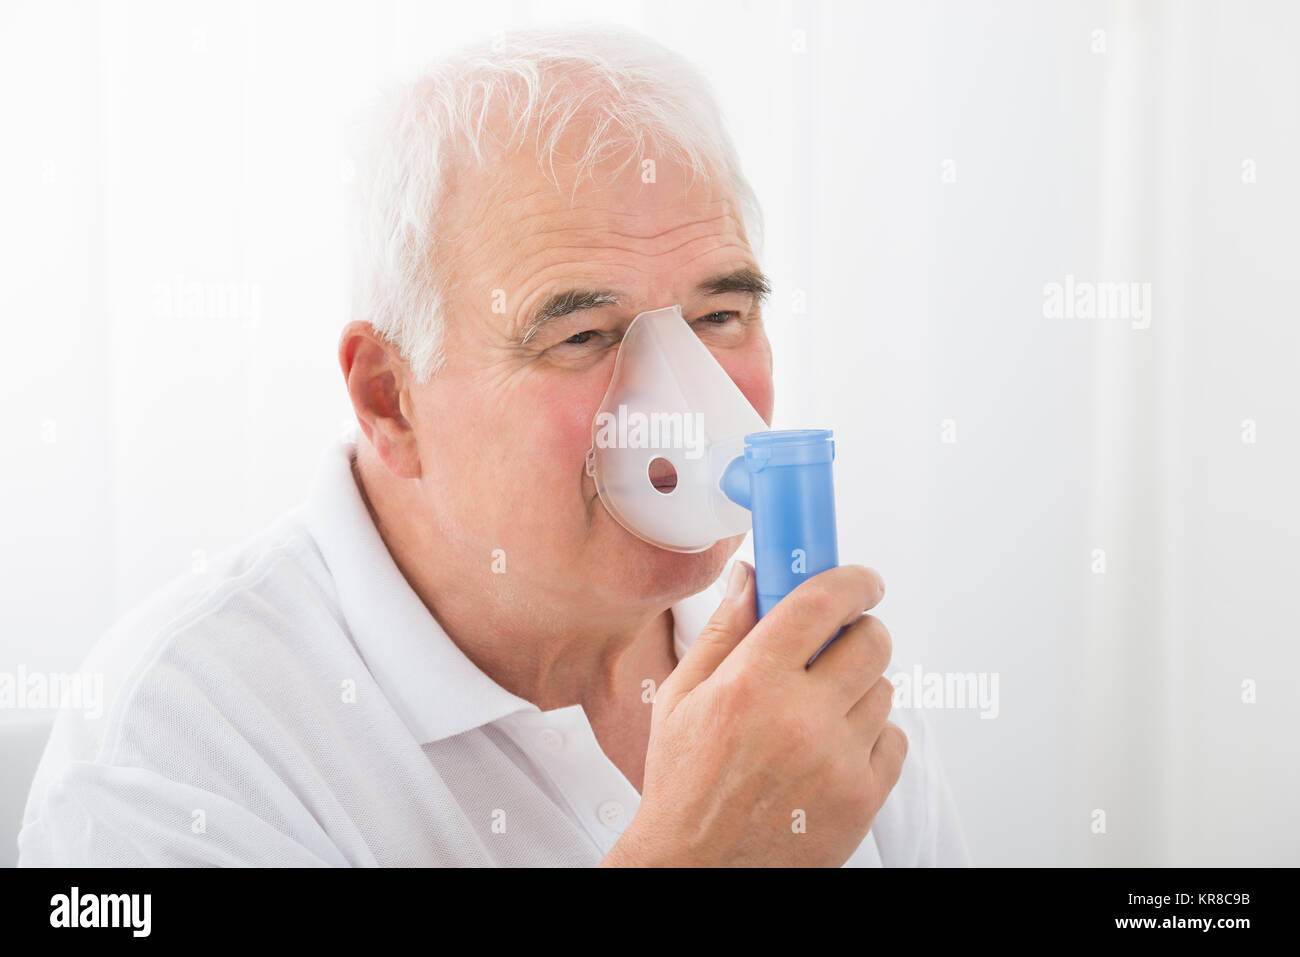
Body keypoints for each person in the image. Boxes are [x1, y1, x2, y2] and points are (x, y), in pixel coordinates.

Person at [19, 23, 969, 867]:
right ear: (390, 398)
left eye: (719, 314)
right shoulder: (182, 743)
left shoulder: (797, 667)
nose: (689, 409)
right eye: (583, 335)